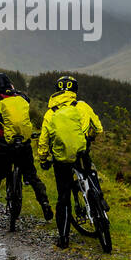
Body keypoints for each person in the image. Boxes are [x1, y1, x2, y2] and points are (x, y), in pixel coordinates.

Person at [35, 75, 103, 247]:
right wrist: (90, 138)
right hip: (81, 152)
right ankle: (99, 200)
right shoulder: (82, 106)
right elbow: (98, 128)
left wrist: (43, 158)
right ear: (75, 91)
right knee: (89, 174)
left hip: (61, 158)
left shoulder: (51, 112)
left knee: (63, 196)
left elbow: (43, 140)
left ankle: (64, 238)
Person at [0, 73, 52, 230]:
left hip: (5, 146)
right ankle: (44, 202)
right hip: (24, 144)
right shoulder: (23, 97)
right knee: (32, 176)